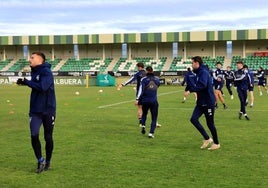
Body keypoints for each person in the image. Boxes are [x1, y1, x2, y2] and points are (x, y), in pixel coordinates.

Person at [16, 52, 56, 173]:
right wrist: (25, 82)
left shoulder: (47, 72)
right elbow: (36, 85)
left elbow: (43, 87)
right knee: (34, 135)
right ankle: (40, 160)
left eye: (32, 57)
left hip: (48, 110)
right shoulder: (34, 71)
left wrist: (27, 82)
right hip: (35, 110)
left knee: (48, 137)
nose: (30, 59)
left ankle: (48, 162)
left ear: (40, 59)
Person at [188, 56, 220, 151]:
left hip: (208, 102)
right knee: (193, 119)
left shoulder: (204, 72)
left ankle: (216, 143)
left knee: (210, 124)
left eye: (192, 63)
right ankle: (207, 138)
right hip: (201, 102)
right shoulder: (198, 73)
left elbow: (202, 85)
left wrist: (191, 90)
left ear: (197, 63)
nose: (192, 65)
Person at [118, 62, 161, 127]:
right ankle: (155, 122)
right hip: (149, 93)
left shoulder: (138, 73)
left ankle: (141, 122)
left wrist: (122, 84)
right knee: (151, 108)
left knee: (140, 107)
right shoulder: (148, 73)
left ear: (139, 67)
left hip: (140, 93)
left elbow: (131, 80)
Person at [135, 66, 160, 138]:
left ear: (146, 71)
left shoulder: (144, 79)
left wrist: (137, 99)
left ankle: (143, 126)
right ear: (152, 71)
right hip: (154, 101)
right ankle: (151, 133)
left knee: (144, 114)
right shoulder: (157, 79)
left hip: (145, 101)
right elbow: (157, 86)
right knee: (154, 117)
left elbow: (141, 90)